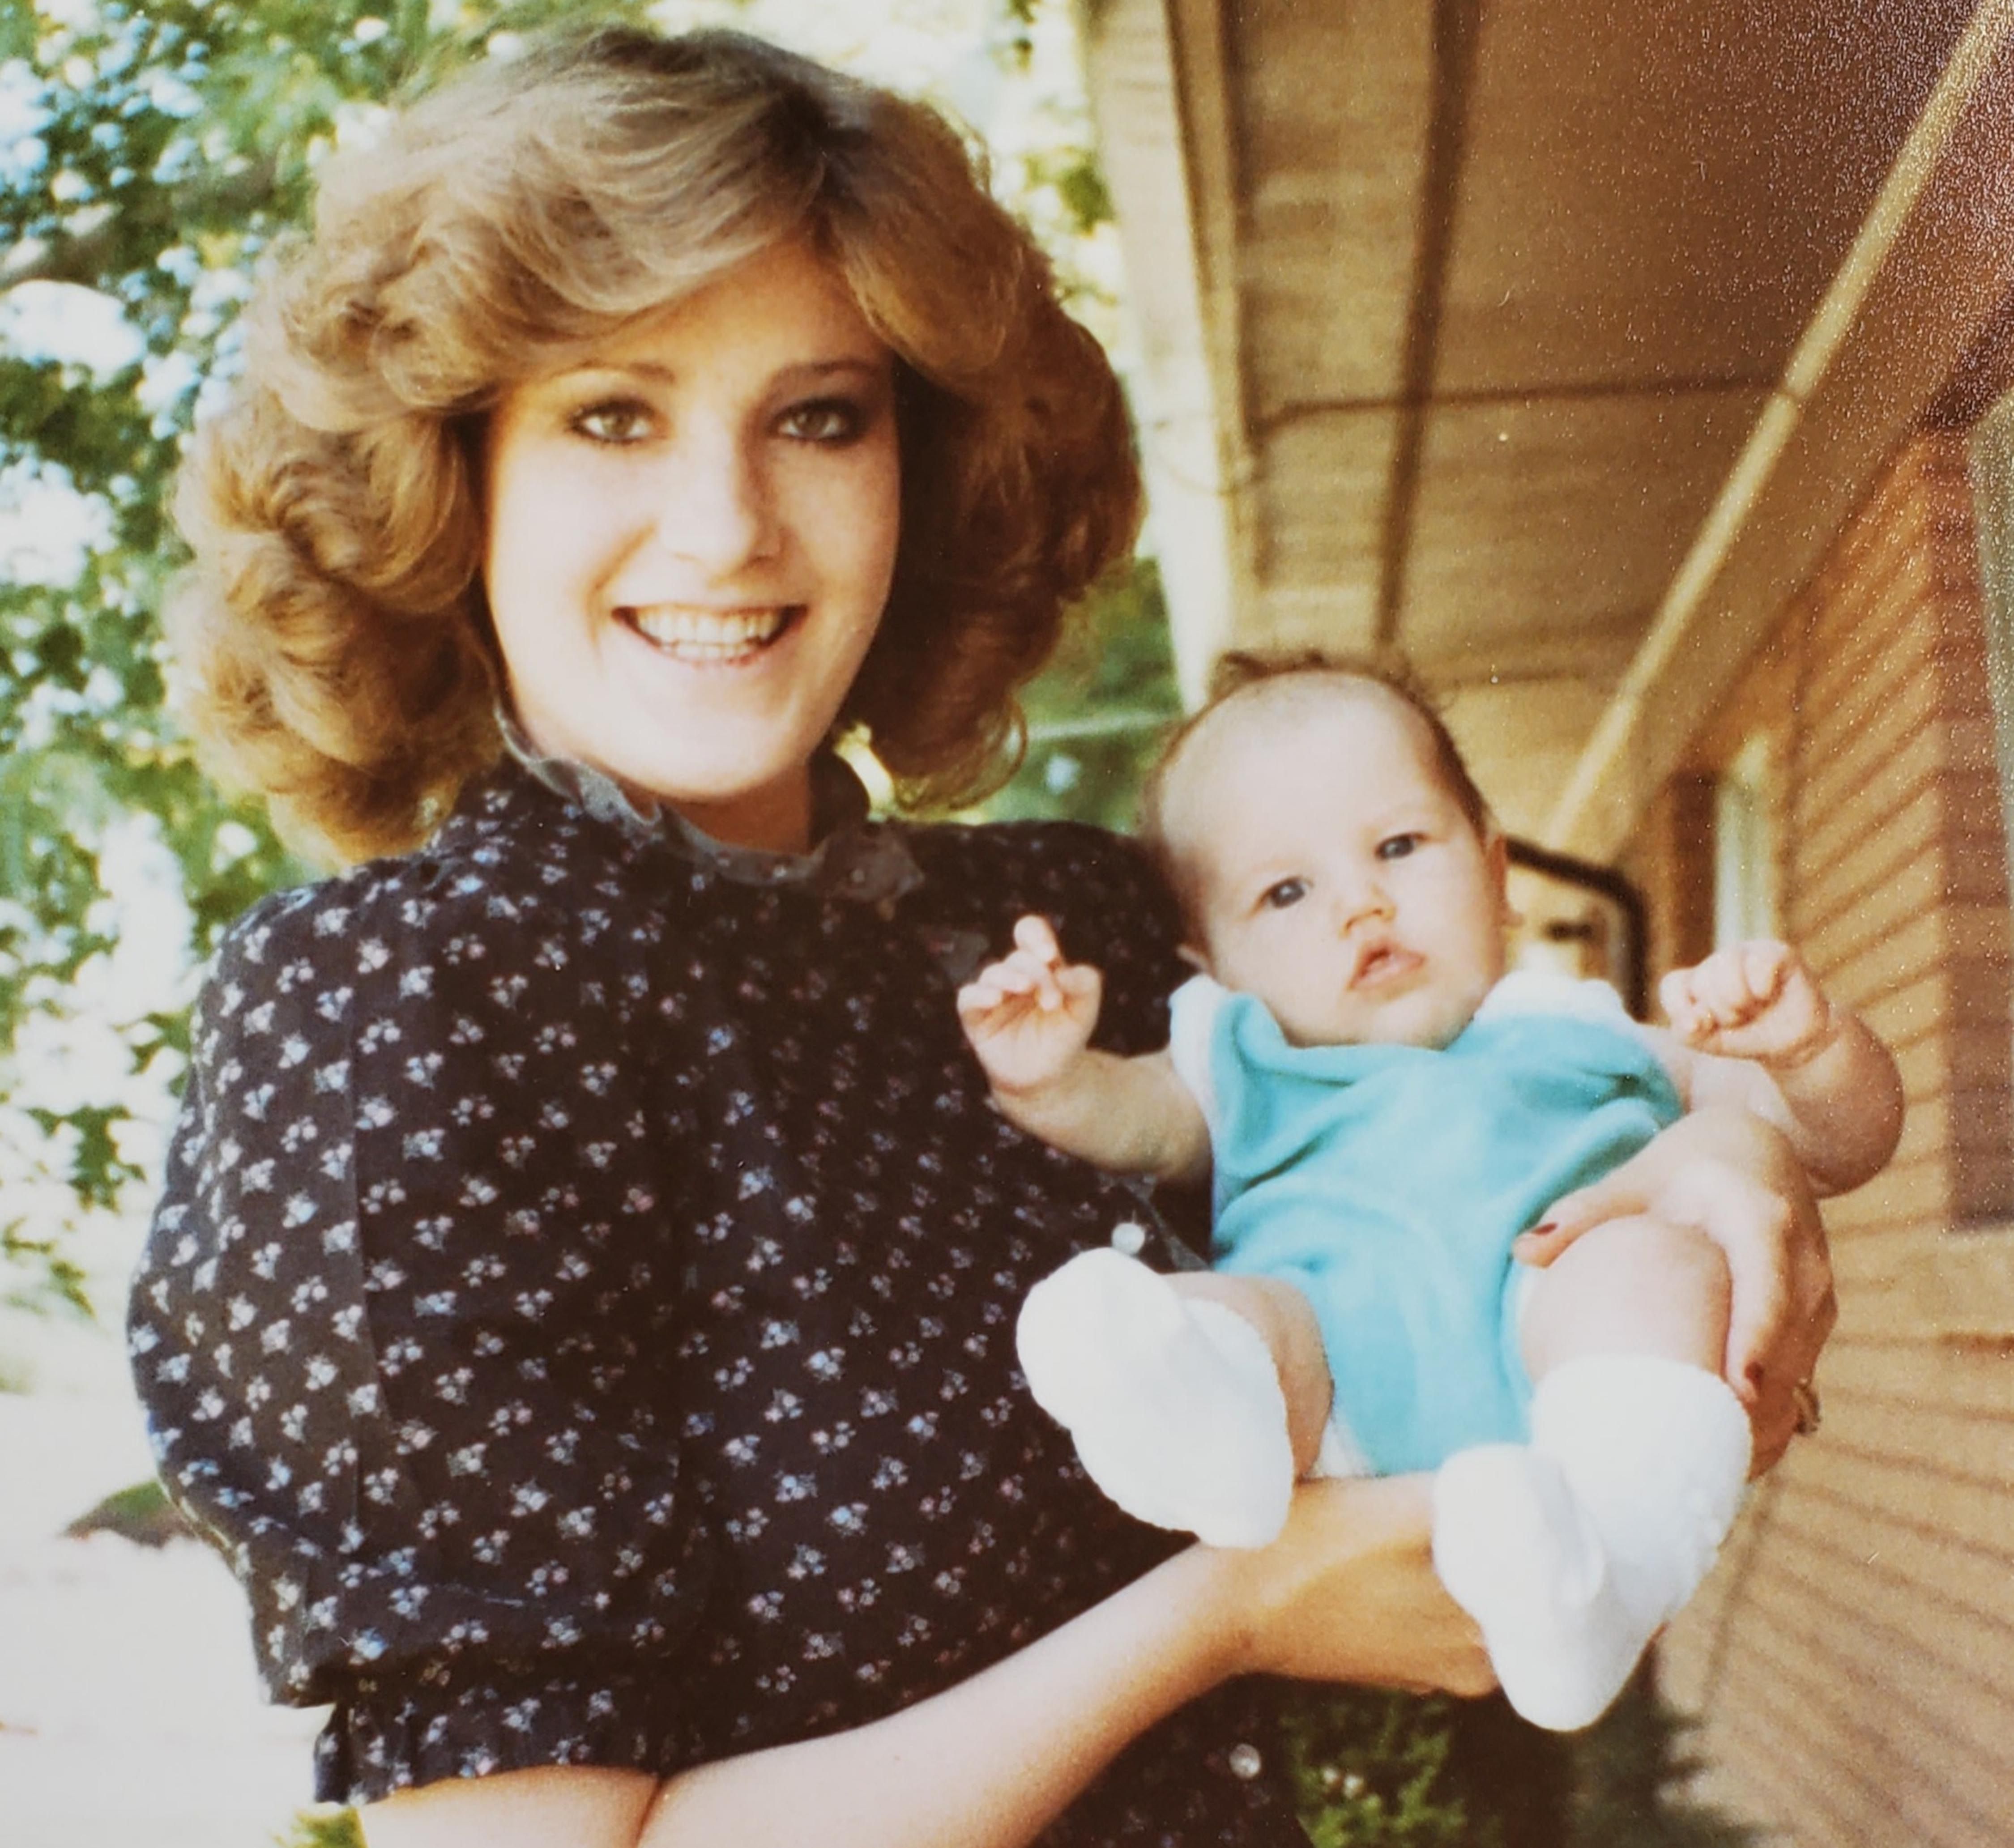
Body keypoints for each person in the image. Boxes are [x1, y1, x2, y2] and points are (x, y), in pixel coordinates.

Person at [126, 25, 1836, 1848]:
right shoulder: (395, 1021)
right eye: (612, 413)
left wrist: (1734, 1154)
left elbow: (1487, 1125)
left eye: (819, 415)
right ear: (453, 480)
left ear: (920, 464)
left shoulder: (1071, 925)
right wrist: (1229, 1615)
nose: (726, 525)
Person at [957, 652, 1900, 1731]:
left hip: (1564, 1360)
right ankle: (1197, 1429)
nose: (1362, 905)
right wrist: (1048, 1073)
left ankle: (1607, 1579)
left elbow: (1830, 1146)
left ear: (1496, 868)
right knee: (1234, 1320)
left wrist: (1809, 1050)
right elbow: (1122, 1119)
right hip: (1338, 1394)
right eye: (1286, 891)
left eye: (1400, 846)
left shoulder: (1580, 1026)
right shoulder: (1238, 1060)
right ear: (1208, 959)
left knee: (1648, 1264)